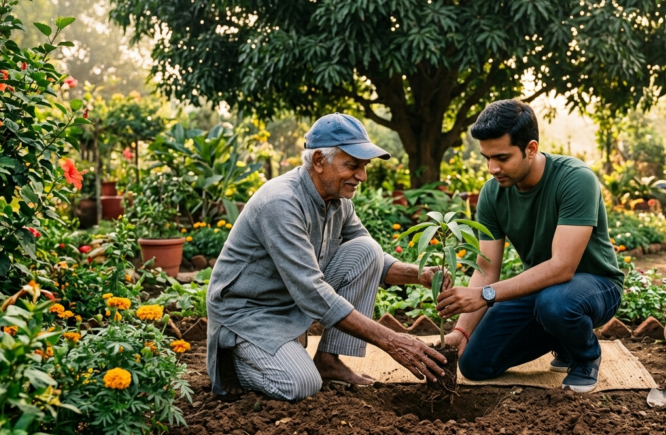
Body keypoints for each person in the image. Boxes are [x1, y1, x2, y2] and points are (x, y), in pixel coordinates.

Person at [206, 113, 449, 401]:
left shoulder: (337, 200)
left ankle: (328, 361)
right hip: (249, 314)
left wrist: (418, 275)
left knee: (366, 249)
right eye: (352, 165)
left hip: (288, 302)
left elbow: (371, 257)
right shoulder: (281, 203)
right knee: (300, 385)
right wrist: (391, 340)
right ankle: (231, 361)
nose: (362, 176)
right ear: (319, 160)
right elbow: (311, 291)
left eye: (364, 166)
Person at [435, 99, 624, 393]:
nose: (492, 168)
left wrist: (485, 296)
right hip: (542, 291)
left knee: (557, 304)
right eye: (486, 157)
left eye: (501, 157)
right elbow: (487, 268)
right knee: (474, 365)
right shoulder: (491, 194)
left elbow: (562, 267)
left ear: (531, 148)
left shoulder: (575, 179)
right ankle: (560, 339)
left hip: (596, 286)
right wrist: (462, 330)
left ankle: (585, 357)